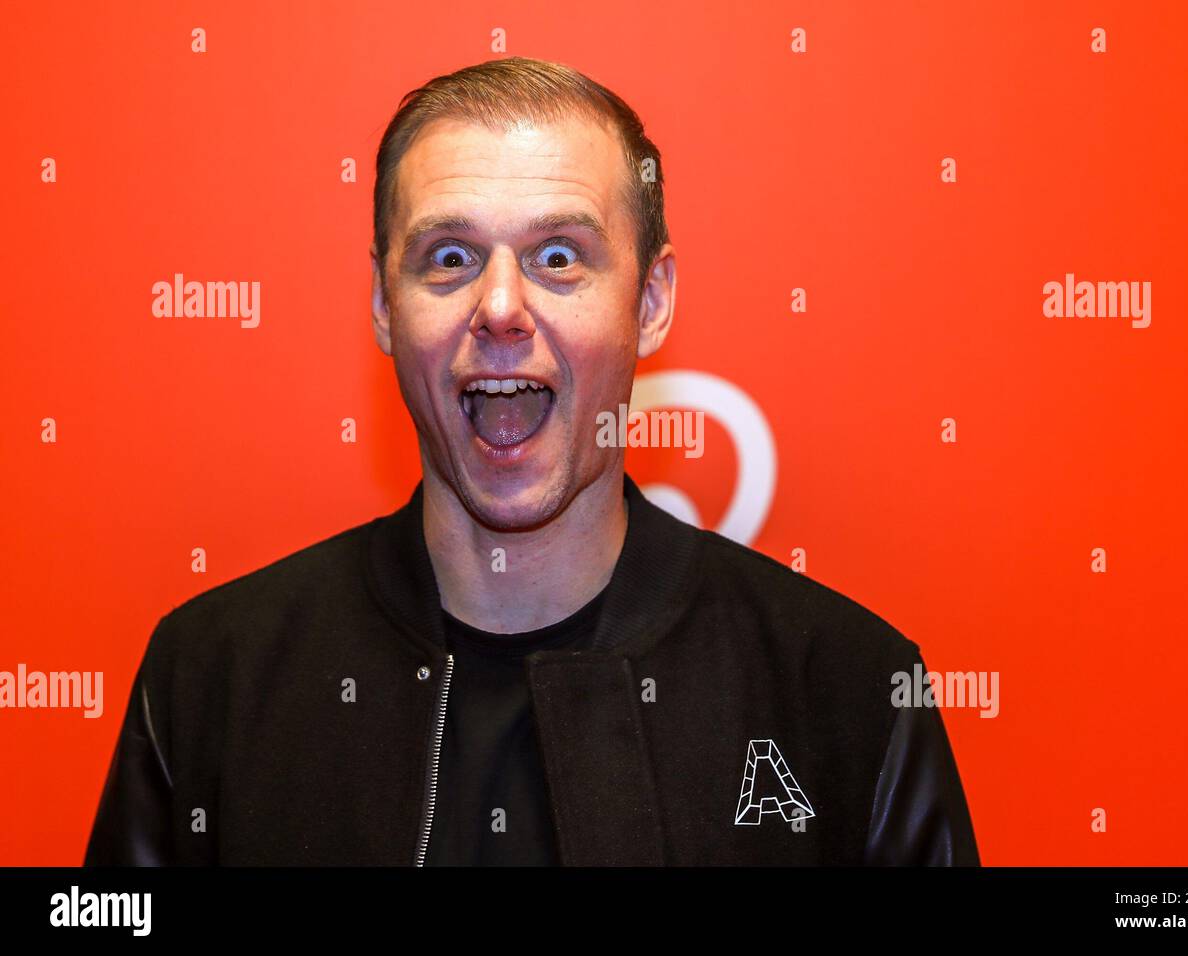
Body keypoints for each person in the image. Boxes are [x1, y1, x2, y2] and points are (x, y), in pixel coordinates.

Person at [84, 56, 979, 866]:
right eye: (449, 258)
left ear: (652, 299)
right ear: (383, 305)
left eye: (559, 257)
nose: (501, 307)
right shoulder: (210, 680)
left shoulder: (852, 693)